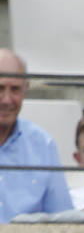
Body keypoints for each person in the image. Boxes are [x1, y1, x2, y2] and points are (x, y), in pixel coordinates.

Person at [0, 49, 74, 223]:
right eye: (0, 88)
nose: (6, 100)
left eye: (15, 89)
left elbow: (62, 218)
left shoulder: (43, 144)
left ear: (25, 91)